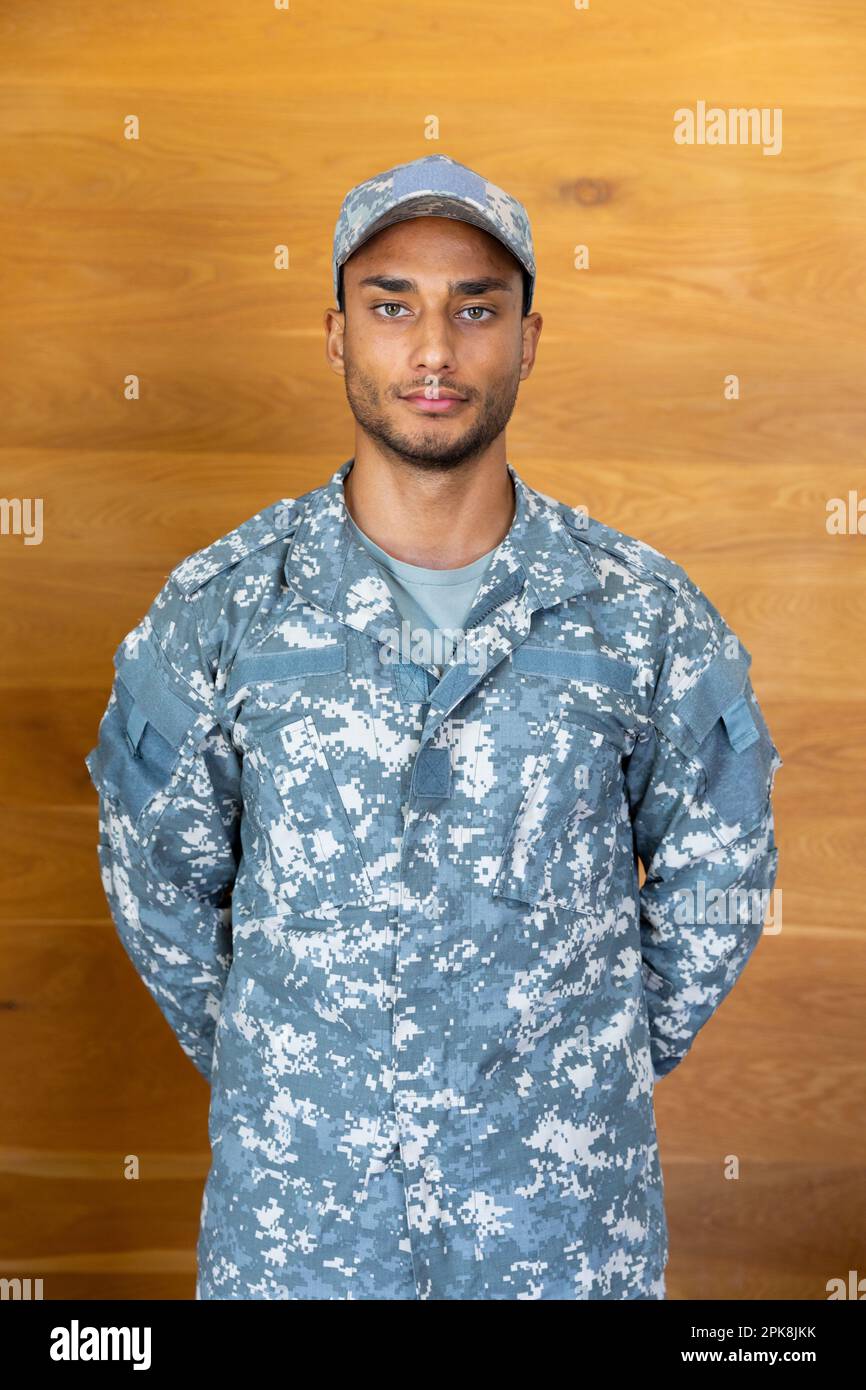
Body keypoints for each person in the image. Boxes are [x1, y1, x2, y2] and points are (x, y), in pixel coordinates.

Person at [86, 153, 782, 1300]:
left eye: (475, 309)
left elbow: (723, 861)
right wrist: (291, 1071)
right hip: (302, 1232)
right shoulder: (222, 607)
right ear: (334, 335)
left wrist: (585, 1060)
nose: (432, 352)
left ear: (528, 338)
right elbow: (154, 878)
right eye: (391, 304)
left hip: (558, 1232)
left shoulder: (638, 612)